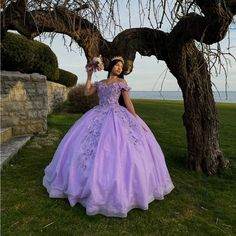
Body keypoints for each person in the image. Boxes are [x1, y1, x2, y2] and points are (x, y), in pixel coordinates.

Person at [43, 56, 174, 218]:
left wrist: (136, 120)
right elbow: (86, 92)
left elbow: (128, 103)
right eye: (117, 65)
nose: (119, 68)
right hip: (98, 113)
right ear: (110, 66)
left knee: (119, 148)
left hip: (117, 114)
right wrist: (90, 75)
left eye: (122, 66)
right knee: (87, 147)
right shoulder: (101, 84)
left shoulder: (122, 83)